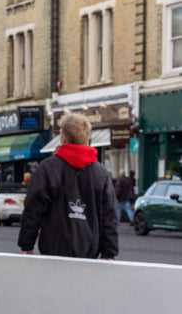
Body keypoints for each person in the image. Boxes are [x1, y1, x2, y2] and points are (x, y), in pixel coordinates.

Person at [18, 111, 118, 259]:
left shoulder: (48, 168)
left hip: (53, 249)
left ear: (63, 138)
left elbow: (33, 208)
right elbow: (109, 216)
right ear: (86, 138)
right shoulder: (101, 173)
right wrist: (109, 252)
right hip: (89, 250)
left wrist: (27, 244)